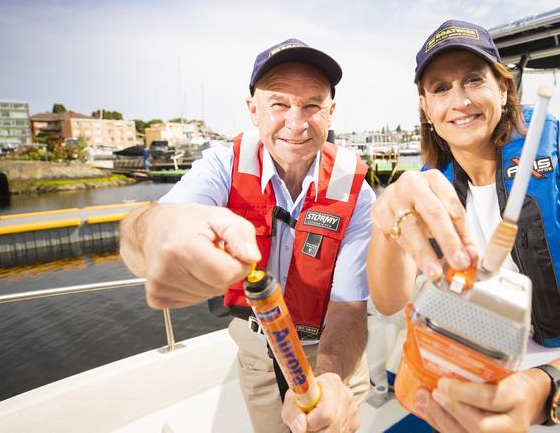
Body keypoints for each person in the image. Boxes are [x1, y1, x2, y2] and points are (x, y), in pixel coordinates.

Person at [367, 20, 560, 432]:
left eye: (473, 80)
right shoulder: (424, 191)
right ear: (425, 106)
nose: (459, 100)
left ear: (502, 88)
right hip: (458, 409)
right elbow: (388, 301)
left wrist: (541, 391)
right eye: (440, 88)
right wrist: (386, 221)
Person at [119, 38, 373, 433]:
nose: (296, 121)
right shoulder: (222, 165)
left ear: (331, 112)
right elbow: (158, 222)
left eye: (312, 105)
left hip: (332, 352)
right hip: (257, 351)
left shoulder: (355, 190)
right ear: (252, 109)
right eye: (278, 104)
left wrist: (330, 378)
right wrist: (155, 234)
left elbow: (349, 306)